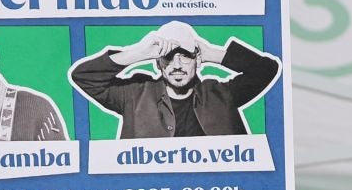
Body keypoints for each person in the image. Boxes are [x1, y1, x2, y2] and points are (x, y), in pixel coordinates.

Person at [70, 20, 279, 139]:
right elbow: (83, 77)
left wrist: (213, 54)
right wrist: (138, 53)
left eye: (185, 56)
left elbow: (267, 70)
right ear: (158, 63)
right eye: (169, 57)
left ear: (198, 61)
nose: (177, 65)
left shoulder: (221, 94)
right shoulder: (134, 94)